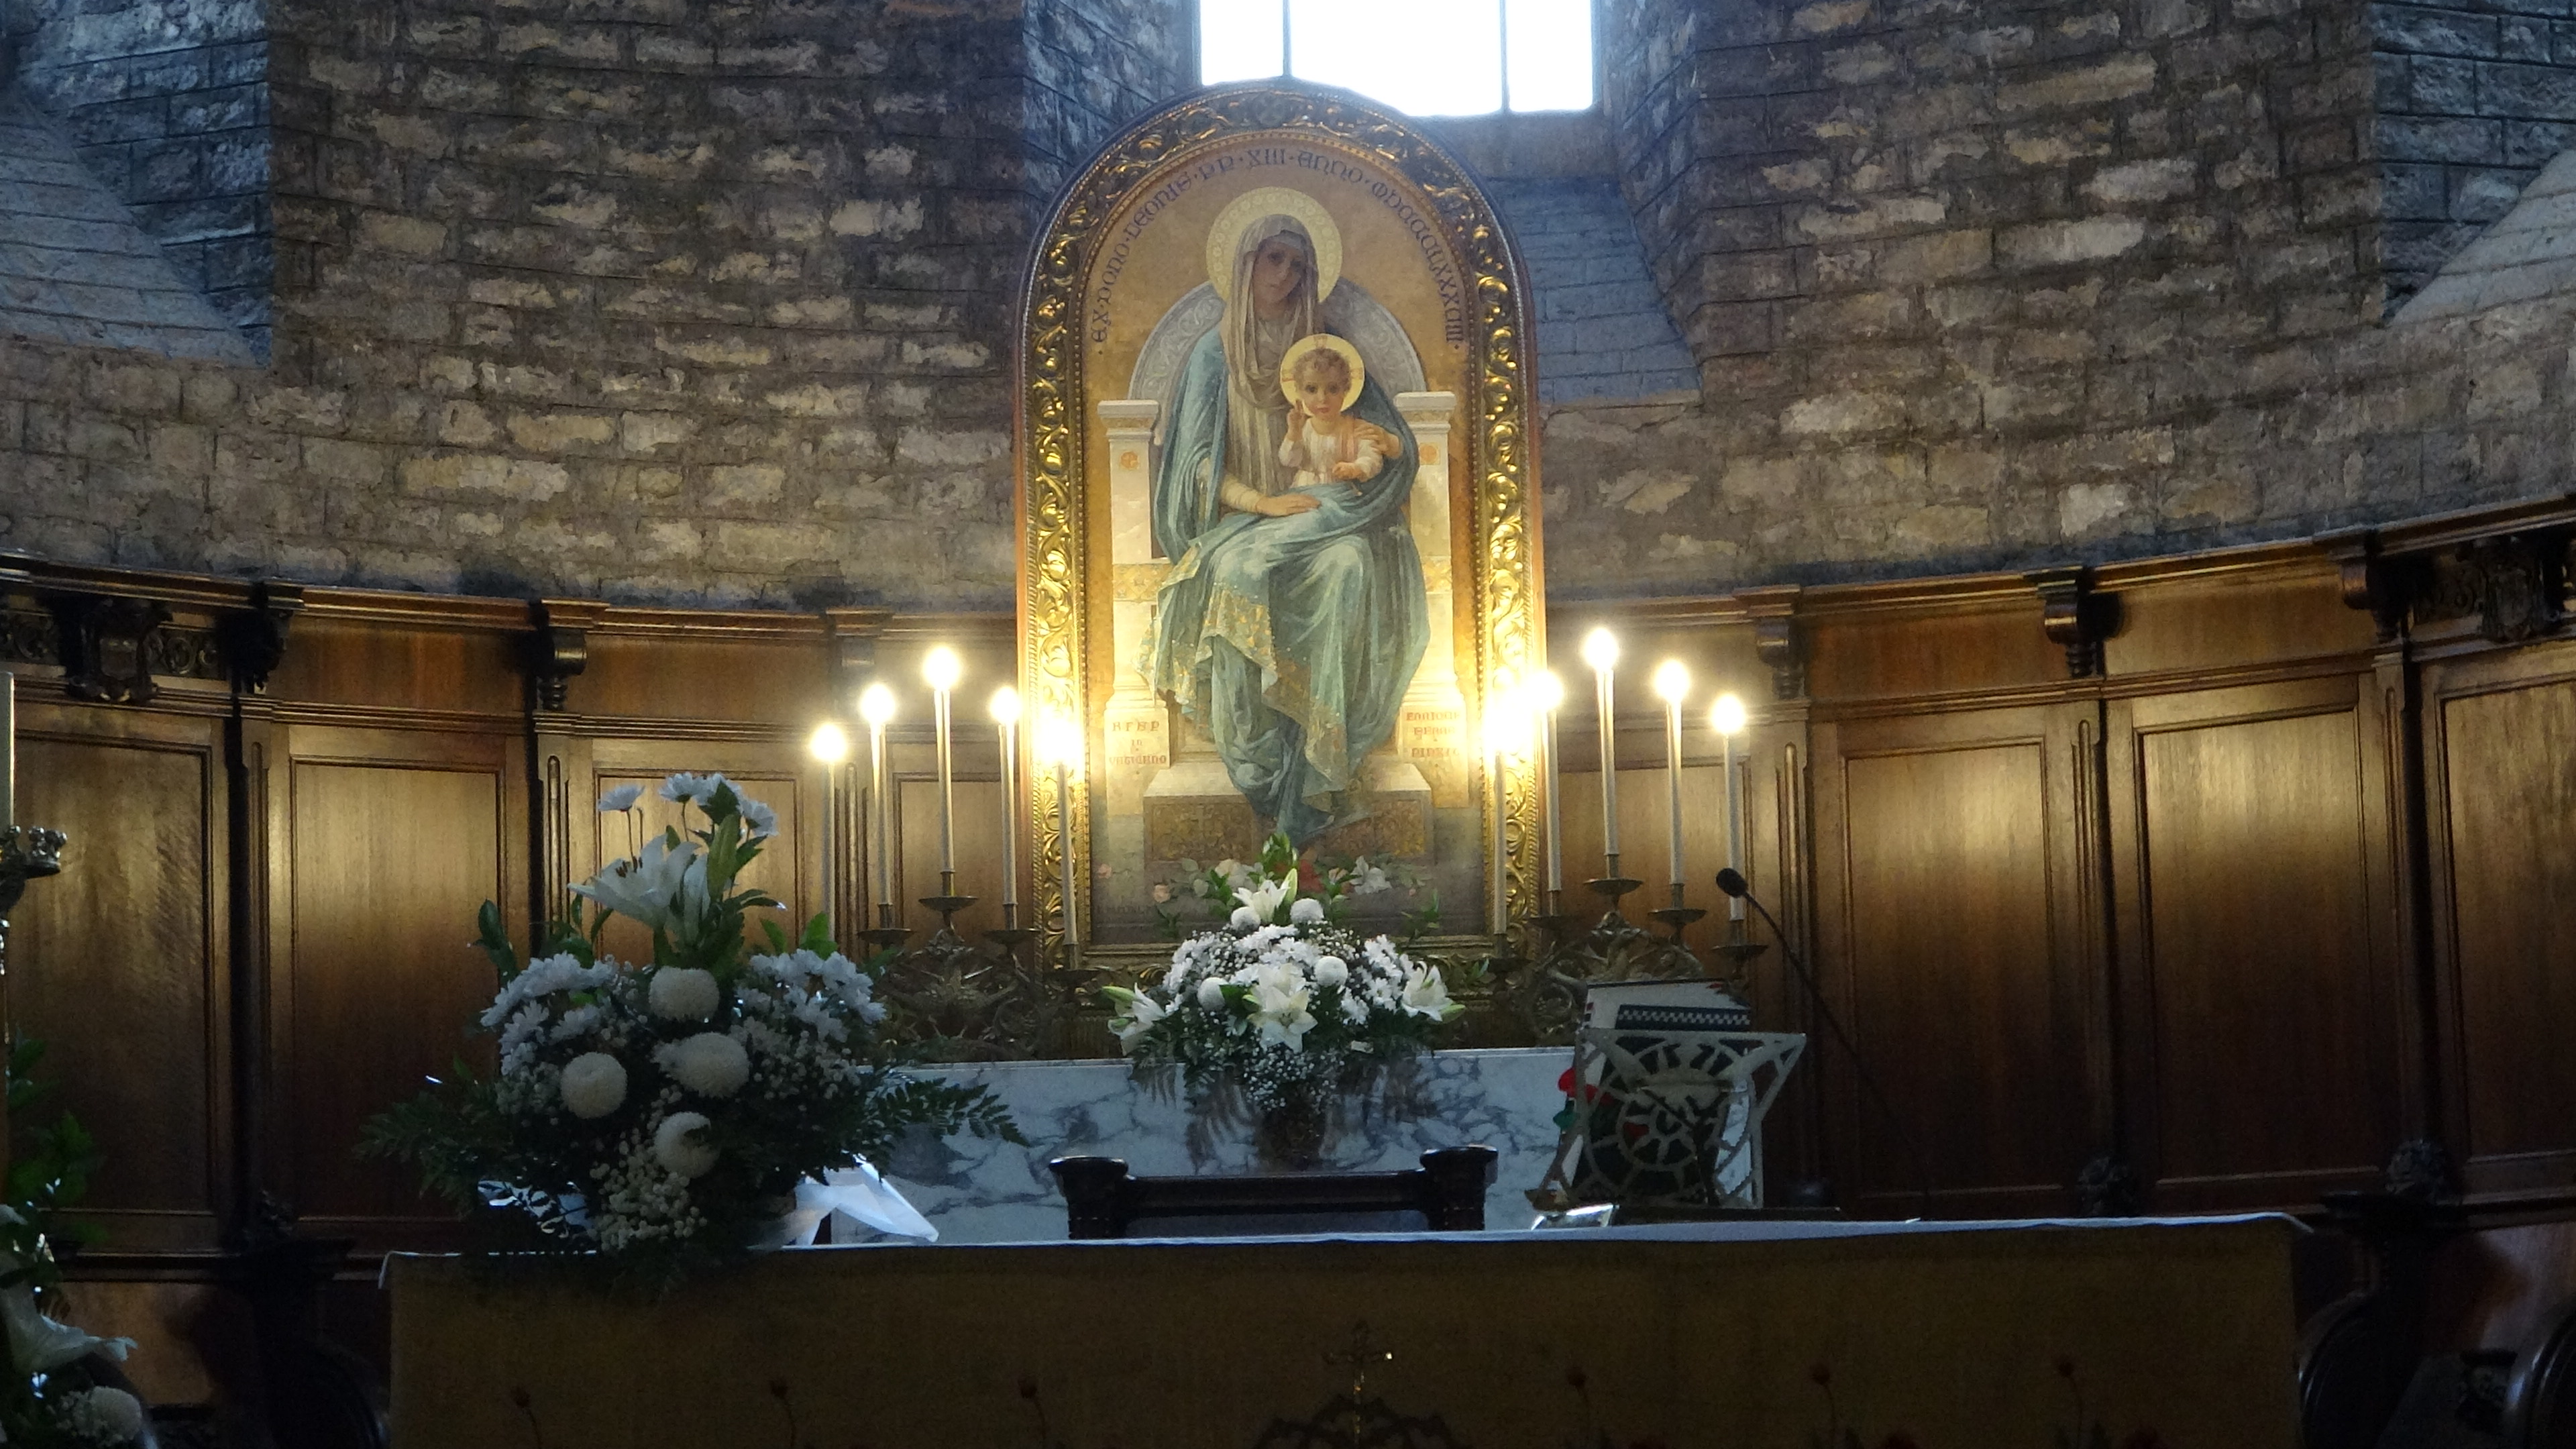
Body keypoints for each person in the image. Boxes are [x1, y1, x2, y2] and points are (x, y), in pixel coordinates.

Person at [1144, 210, 1428, 846]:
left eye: (1298, 265)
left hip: (1324, 518)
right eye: (1274, 259)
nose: (1285, 275)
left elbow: (1389, 443)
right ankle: (1263, 757)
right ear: (1246, 264)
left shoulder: (1325, 354)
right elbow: (1192, 468)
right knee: (1239, 574)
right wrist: (1262, 504)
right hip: (1247, 521)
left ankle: (1321, 759)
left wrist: (1376, 451)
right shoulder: (1211, 358)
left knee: (1353, 564)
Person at [1273, 341, 1397, 498]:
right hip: (1305, 493)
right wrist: (1293, 432)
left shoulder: (1357, 428)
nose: (1322, 398)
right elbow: (1289, 461)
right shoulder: (1303, 428)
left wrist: (1355, 468)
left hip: (1340, 496)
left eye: (1333, 389)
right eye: (1311, 389)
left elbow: (1372, 459)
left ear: (1345, 390)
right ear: (1299, 392)